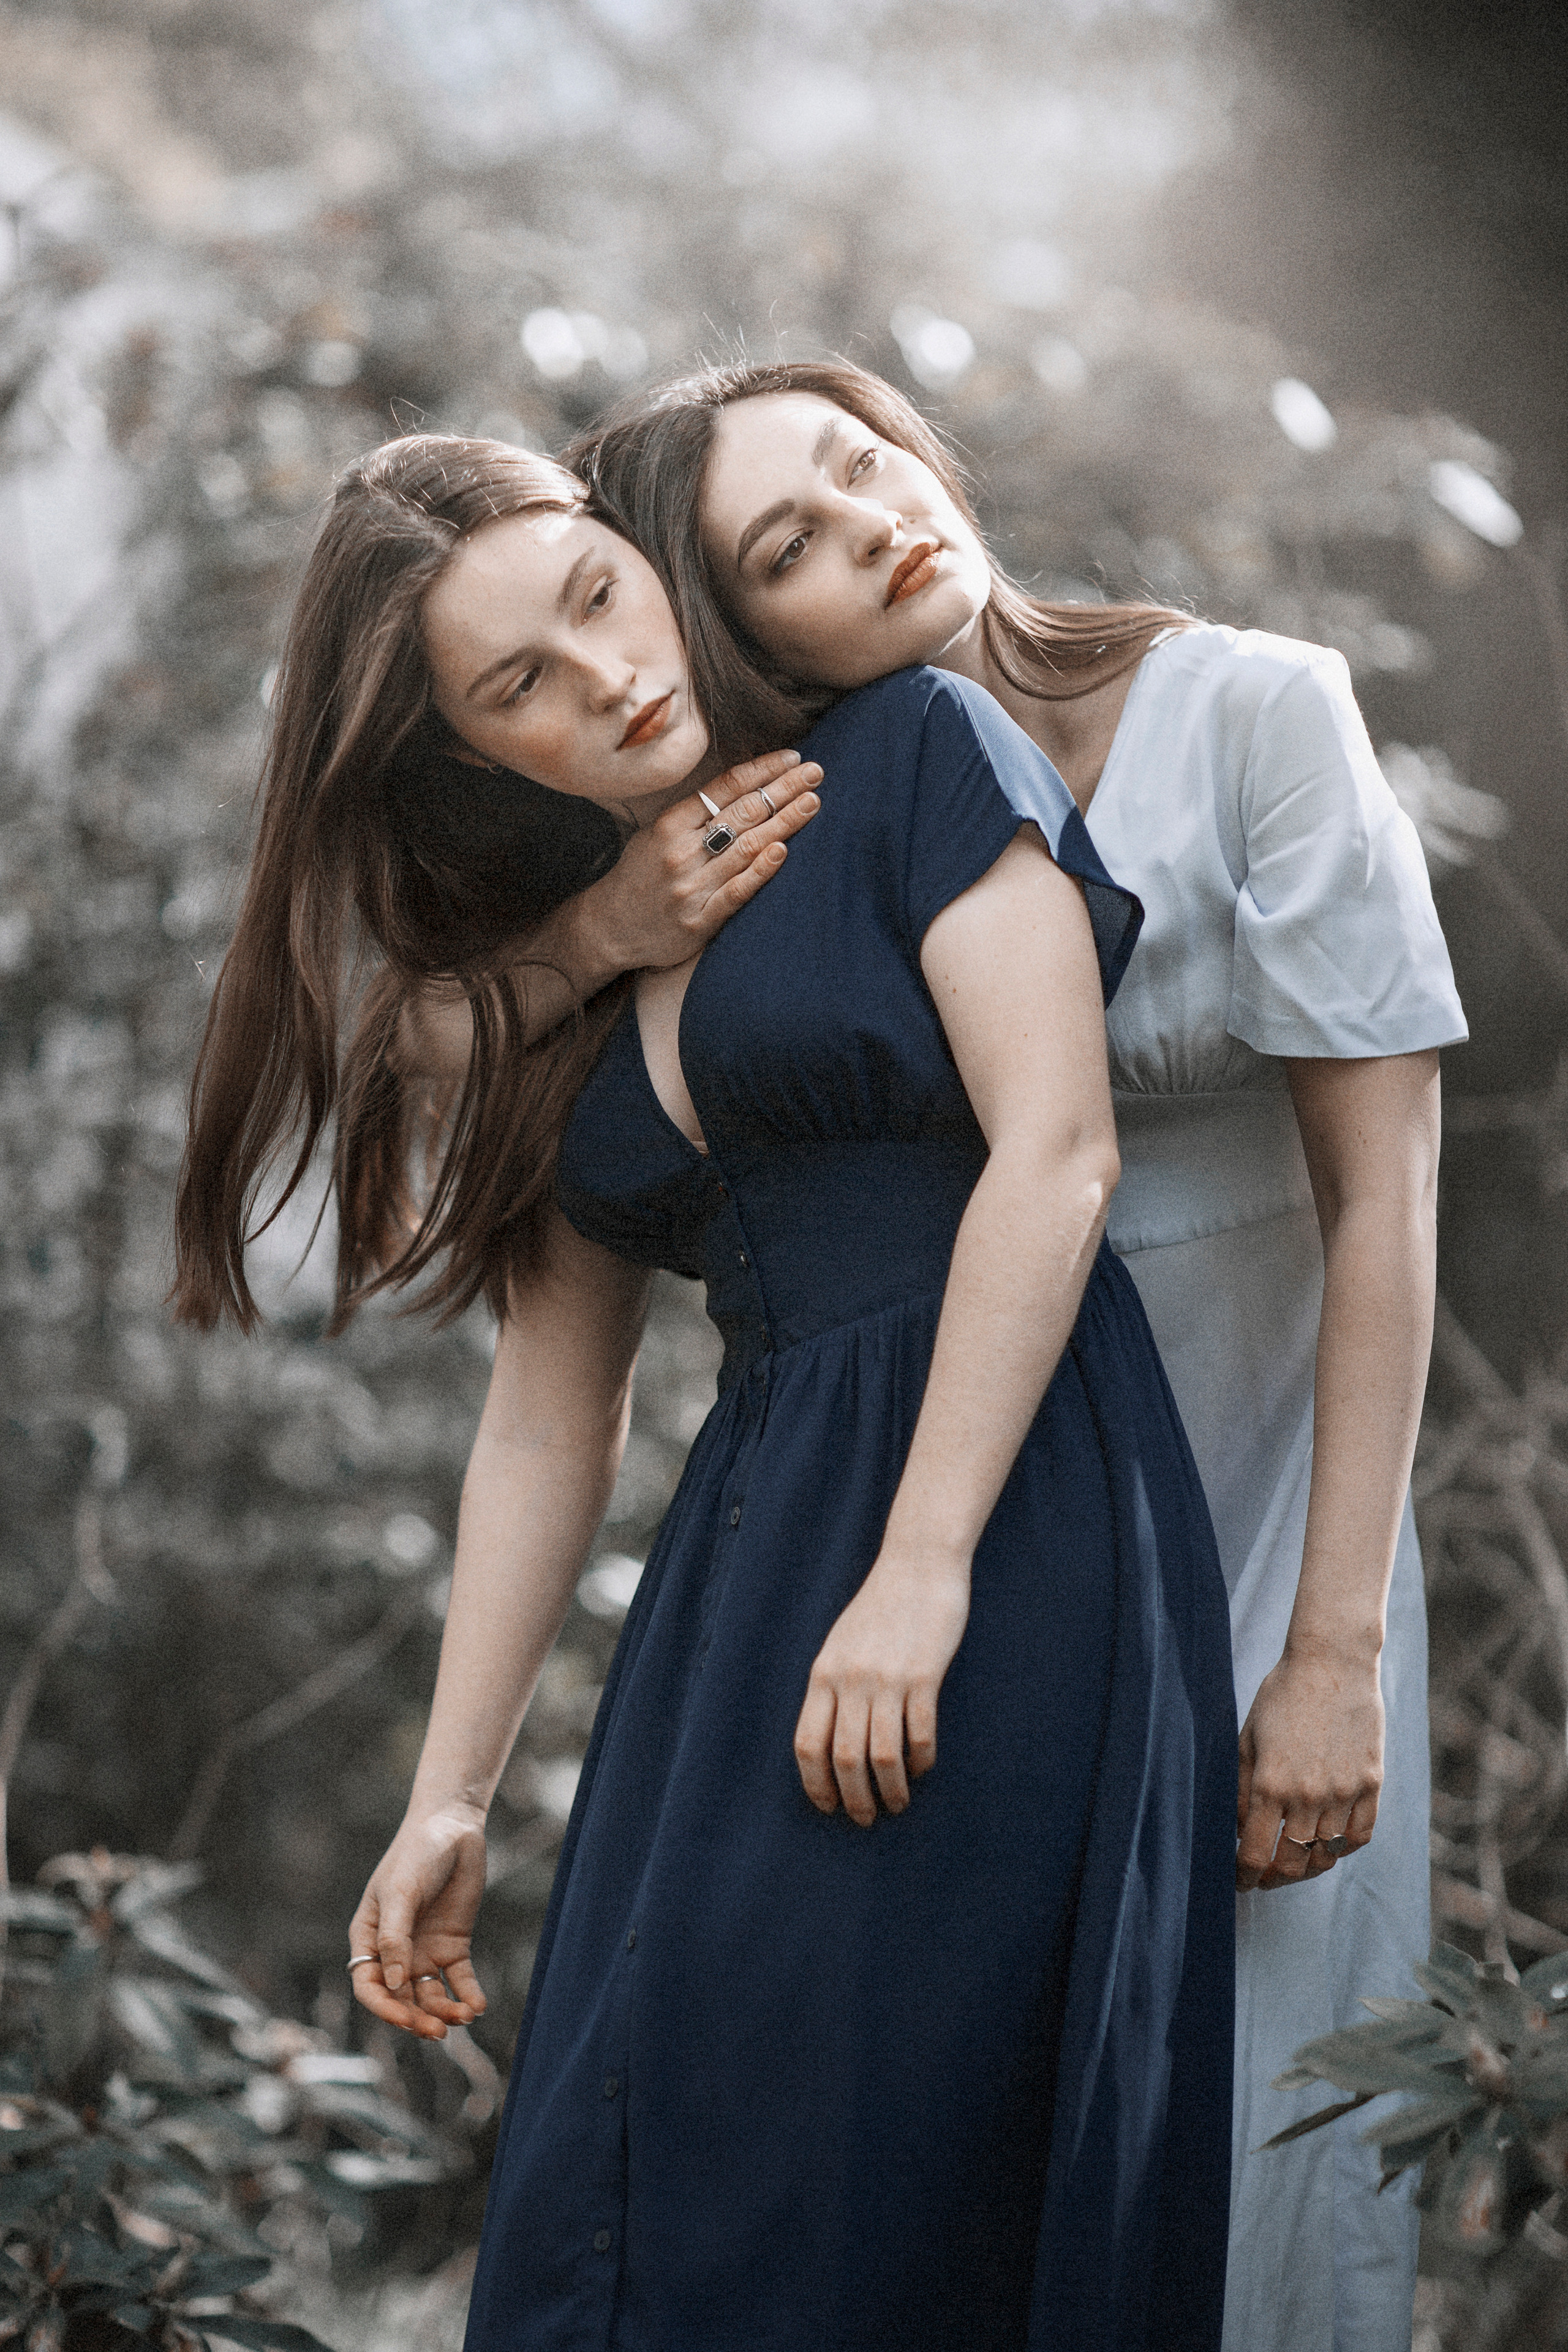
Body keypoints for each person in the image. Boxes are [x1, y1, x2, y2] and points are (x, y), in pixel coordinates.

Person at [173, 434, 1237, 2350]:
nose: (607, 680)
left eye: (600, 599)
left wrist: (923, 1565)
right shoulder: (555, 966)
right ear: (465, 753)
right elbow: (545, 1410)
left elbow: (1059, 1149)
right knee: (640, 2141)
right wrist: (448, 1795)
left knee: (881, 2177)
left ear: (638, 552)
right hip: (742, 1586)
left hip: (993, 1517)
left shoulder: (907, 752)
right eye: (523, 685)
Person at [549, 358, 1463, 2352]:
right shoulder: (814, 817)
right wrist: (597, 925)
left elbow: (1386, 1199)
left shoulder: (1256, 711)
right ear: (742, 635)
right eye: (787, 545)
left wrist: (1331, 1649)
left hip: (1271, 1469)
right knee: (983, 2127)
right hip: (998, 1495)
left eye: (861, 464)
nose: (872, 525)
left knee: (1268, 2102)